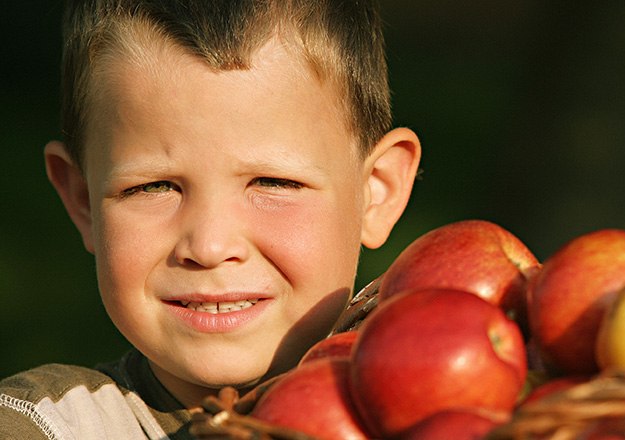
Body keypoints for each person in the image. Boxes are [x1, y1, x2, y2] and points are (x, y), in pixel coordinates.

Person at [0, 0, 421, 438]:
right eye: (153, 187)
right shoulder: (44, 426)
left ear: (376, 191)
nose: (209, 246)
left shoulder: (453, 410)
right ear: (83, 200)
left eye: (272, 182)